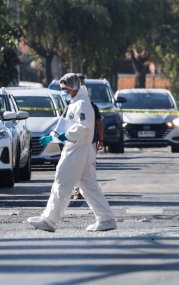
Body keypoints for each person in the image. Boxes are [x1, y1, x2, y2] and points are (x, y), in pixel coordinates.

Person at [27, 73, 117, 232]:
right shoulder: (75, 103)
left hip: (77, 149)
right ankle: (106, 219)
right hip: (80, 148)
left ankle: (49, 220)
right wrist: (52, 137)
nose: (64, 92)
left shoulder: (82, 104)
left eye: (66, 89)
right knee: (89, 187)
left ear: (74, 87)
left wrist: (65, 136)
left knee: (61, 183)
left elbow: (84, 127)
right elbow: (65, 124)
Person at [72, 74, 104, 200]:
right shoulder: (71, 105)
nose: (81, 86)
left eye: (82, 83)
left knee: (89, 166)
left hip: (90, 141)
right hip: (76, 141)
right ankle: (77, 191)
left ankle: (88, 191)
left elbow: (98, 123)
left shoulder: (91, 106)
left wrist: (101, 139)